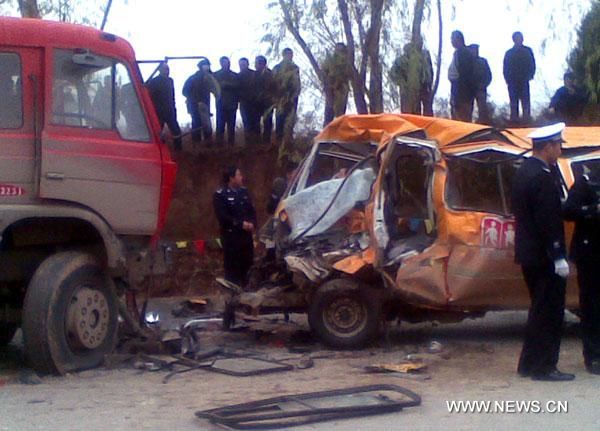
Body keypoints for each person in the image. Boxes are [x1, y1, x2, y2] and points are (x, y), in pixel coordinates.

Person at [511, 122, 574, 382]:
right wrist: (558, 255)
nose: (559, 149)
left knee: (538, 310)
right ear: (548, 146)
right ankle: (544, 367)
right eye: (558, 144)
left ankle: (529, 363)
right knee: (549, 312)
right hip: (544, 255)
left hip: (529, 253)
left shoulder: (524, 171)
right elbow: (548, 220)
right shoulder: (542, 176)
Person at [563, 162, 600, 375]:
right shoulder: (587, 183)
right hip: (590, 255)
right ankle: (593, 356)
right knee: (592, 306)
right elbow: (568, 210)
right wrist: (593, 210)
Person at [213, 166, 257, 286]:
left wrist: (252, 223)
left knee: (247, 267)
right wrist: (240, 224)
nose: (241, 177)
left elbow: (251, 210)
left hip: (246, 239)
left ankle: (247, 291)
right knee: (233, 270)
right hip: (231, 238)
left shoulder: (244, 192)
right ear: (232, 178)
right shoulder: (220, 195)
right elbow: (223, 217)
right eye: (239, 175)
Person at [390, 37, 434, 116]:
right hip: (410, 89)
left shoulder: (425, 55)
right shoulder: (402, 60)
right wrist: (402, 82)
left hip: (425, 86)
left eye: (421, 41)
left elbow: (430, 70)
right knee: (413, 113)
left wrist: (430, 83)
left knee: (427, 112)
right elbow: (392, 73)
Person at [146, 62, 182, 151]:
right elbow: (150, 95)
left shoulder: (170, 81)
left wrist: (174, 109)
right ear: (159, 70)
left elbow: (172, 97)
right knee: (158, 132)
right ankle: (158, 150)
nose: (167, 71)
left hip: (170, 110)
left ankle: (179, 150)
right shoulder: (154, 82)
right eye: (165, 69)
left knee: (176, 132)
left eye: (168, 69)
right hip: (159, 111)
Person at [182, 59, 220, 144]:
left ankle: (203, 146)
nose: (208, 67)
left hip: (202, 106)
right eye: (206, 65)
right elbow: (184, 91)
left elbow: (216, 90)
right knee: (200, 126)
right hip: (197, 106)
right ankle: (202, 146)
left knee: (201, 126)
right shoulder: (195, 78)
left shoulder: (207, 77)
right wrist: (195, 100)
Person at [503, 31, 536, 125]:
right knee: (514, 103)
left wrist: (530, 75)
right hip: (512, 81)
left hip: (524, 80)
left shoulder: (527, 51)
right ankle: (514, 122)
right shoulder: (509, 53)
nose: (519, 40)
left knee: (525, 102)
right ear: (513, 40)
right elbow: (505, 67)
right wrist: (507, 79)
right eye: (517, 38)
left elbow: (532, 63)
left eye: (520, 37)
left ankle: (527, 121)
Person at [273, 48, 301, 146]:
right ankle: (278, 141)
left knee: (290, 120)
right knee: (280, 119)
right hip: (281, 98)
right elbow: (274, 84)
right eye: (288, 54)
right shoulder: (277, 68)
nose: (290, 56)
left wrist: (295, 95)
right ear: (283, 55)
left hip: (292, 98)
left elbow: (297, 83)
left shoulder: (295, 68)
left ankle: (288, 141)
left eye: (291, 54)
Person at [321, 42, 352, 125]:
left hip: (341, 89)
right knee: (329, 111)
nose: (338, 51)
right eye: (337, 49)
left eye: (340, 49)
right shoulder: (330, 59)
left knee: (340, 113)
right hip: (331, 88)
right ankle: (327, 132)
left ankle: (337, 130)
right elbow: (324, 72)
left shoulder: (346, 60)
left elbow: (349, 73)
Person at [448, 30, 475, 122]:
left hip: (462, 92)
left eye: (452, 39)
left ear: (459, 39)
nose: (451, 41)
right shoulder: (458, 53)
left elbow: (465, 74)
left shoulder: (464, 53)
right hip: (457, 89)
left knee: (462, 118)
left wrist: (461, 94)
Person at [214, 56, 239, 146]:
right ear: (221, 63)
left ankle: (231, 146)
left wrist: (227, 85)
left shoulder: (235, 75)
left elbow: (238, 86)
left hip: (232, 104)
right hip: (220, 104)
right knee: (220, 127)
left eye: (227, 62)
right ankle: (219, 146)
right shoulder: (215, 75)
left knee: (231, 127)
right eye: (224, 62)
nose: (226, 64)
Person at [468, 44, 492, 124]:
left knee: (482, 109)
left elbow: (489, 75)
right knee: (468, 109)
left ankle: (483, 123)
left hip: (481, 88)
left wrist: (484, 84)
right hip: (470, 89)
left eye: (476, 49)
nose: (475, 51)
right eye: (473, 50)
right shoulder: (467, 62)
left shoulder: (483, 61)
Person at [254, 55, 275, 144]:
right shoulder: (254, 74)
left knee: (267, 123)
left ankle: (266, 142)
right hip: (256, 102)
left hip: (267, 102)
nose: (256, 65)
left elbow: (274, 87)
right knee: (256, 123)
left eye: (257, 63)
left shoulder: (270, 74)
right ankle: (257, 143)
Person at [238, 57, 258, 144]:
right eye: (241, 65)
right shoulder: (237, 76)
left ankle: (258, 144)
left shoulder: (255, 75)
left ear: (248, 64)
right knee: (246, 124)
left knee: (255, 124)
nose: (242, 66)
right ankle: (248, 144)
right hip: (243, 104)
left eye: (244, 64)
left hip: (254, 103)